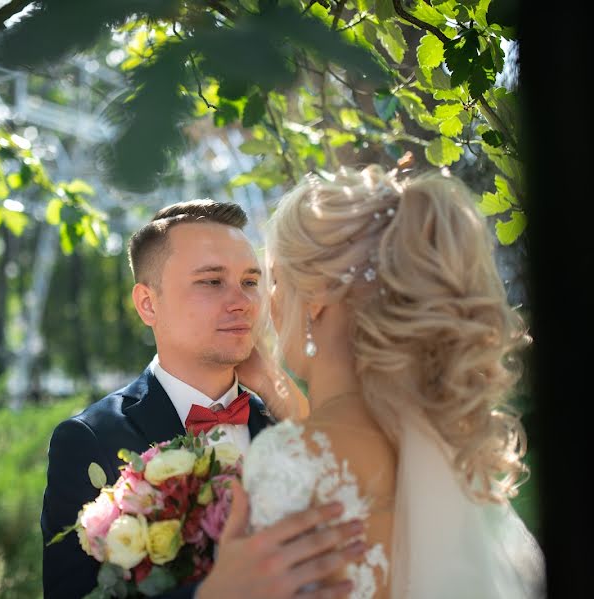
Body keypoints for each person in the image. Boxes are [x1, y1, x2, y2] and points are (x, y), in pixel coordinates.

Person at [208, 166, 545, 598]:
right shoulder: (442, 445)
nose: (264, 304)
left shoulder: (291, 457)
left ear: (313, 298)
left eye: (272, 279)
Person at [41, 199, 366, 598]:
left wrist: (271, 381)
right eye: (212, 282)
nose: (243, 301)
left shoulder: (287, 420)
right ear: (147, 303)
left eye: (250, 281)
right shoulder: (91, 438)